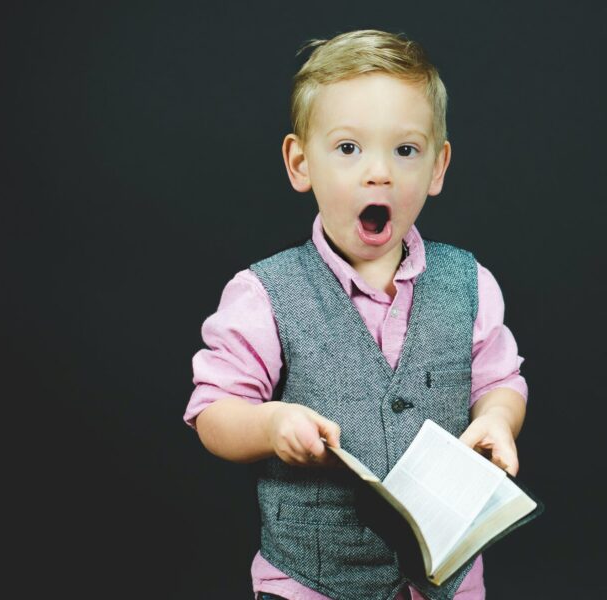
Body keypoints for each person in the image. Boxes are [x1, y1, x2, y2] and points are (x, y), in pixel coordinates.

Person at [183, 29, 528, 600]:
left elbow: (501, 380)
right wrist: (270, 424)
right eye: (348, 148)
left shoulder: (470, 283)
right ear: (300, 163)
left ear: (437, 168)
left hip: (447, 579)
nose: (379, 173)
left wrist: (497, 418)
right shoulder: (264, 293)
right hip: (312, 582)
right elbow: (213, 410)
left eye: (405, 150)